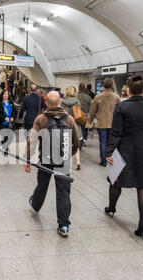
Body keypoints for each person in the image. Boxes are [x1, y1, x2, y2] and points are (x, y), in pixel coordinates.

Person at [104, 75, 143, 240]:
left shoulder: (122, 107)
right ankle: (142, 225)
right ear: (142, 89)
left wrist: (109, 152)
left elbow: (116, 132)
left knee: (115, 181)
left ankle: (112, 207)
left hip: (125, 150)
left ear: (128, 89)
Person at [25, 91, 80, 237]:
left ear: (47, 103)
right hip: (63, 160)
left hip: (46, 158)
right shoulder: (69, 120)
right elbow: (76, 141)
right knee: (63, 191)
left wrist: (29, 159)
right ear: (60, 102)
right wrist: (69, 154)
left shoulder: (41, 119)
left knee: (42, 184)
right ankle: (63, 226)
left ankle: (36, 204)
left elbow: (32, 140)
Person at [87, 78, 121, 167]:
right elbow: (120, 111)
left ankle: (104, 161)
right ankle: (111, 160)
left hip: (101, 123)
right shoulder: (116, 97)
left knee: (103, 141)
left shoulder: (98, 96)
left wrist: (90, 120)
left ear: (103, 85)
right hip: (113, 123)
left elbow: (92, 111)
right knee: (112, 142)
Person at [61, 86, 82, 170]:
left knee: (65, 145)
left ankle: (65, 162)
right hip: (75, 126)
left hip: (65, 125)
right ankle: (78, 162)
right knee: (76, 146)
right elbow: (79, 115)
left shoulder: (62, 102)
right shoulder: (77, 101)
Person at [77, 83, 92, 149]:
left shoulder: (76, 96)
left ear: (79, 88)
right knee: (85, 129)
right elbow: (90, 108)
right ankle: (84, 141)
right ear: (84, 88)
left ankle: (78, 141)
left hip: (77, 115)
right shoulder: (88, 97)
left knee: (78, 129)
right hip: (85, 116)